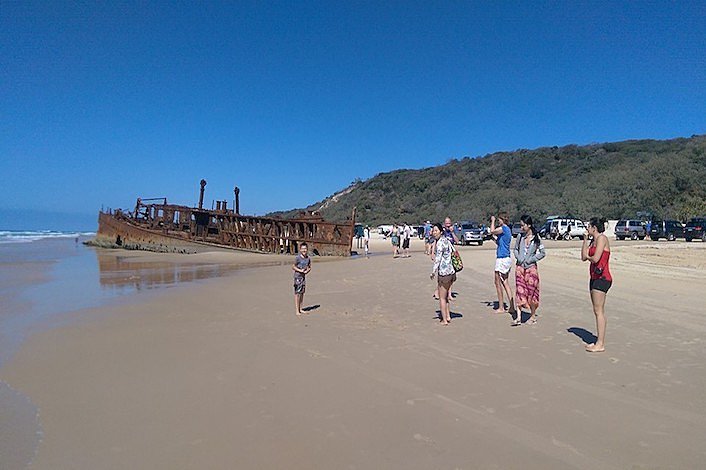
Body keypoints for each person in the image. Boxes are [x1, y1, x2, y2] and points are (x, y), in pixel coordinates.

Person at [581, 217, 612, 352]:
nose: (587, 228)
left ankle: (600, 343)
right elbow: (583, 257)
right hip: (594, 277)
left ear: (594, 228)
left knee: (599, 310)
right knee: (596, 310)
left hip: (603, 277)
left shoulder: (602, 239)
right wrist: (585, 240)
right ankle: (598, 340)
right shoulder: (593, 241)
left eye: (589, 226)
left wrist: (589, 257)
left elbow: (596, 258)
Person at [513, 215, 546, 326]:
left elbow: (542, 253)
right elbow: (515, 249)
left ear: (529, 225)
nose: (521, 228)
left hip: (531, 268)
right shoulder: (519, 237)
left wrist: (532, 259)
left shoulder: (536, 238)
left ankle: (532, 316)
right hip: (519, 267)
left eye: (523, 225)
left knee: (532, 291)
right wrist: (519, 258)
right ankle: (518, 317)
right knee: (520, 290)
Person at [430, 223, 456, 325]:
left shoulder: (440, 243)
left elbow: (438, 259)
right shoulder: (447, 240)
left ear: (441, 232)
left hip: (444, 273)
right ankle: (448, 316)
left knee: (441, 297)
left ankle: (444, 319)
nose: (434, 232)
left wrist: (433, 272)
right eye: (433, 230)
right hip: (451, 272)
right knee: (445, 297)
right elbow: (453, 251)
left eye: (436, 230)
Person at [490, 213, 515, 314]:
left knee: (498, 282)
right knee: (505, 282)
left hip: (502, 258)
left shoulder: (504, 228)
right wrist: (492, 238)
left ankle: (501, 307)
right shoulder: (506, 230)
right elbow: (500, 243)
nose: (498, 222)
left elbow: (492, 231)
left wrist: (492, 221)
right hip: (506, 257)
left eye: (499, 220)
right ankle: (512, 306)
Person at [292, 242, 312, 316]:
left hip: (303, 278)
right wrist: (300, 270)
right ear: (300, 250)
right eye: (302, 249)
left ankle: (301, 308)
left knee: (302, 293)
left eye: (305, 249)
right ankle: (297, 310)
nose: (304, 250)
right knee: (297, 293)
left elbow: (309, 267)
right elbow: (293, 266)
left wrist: (307, 271)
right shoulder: (298, 258)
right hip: (297, 277)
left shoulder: (308, 258)